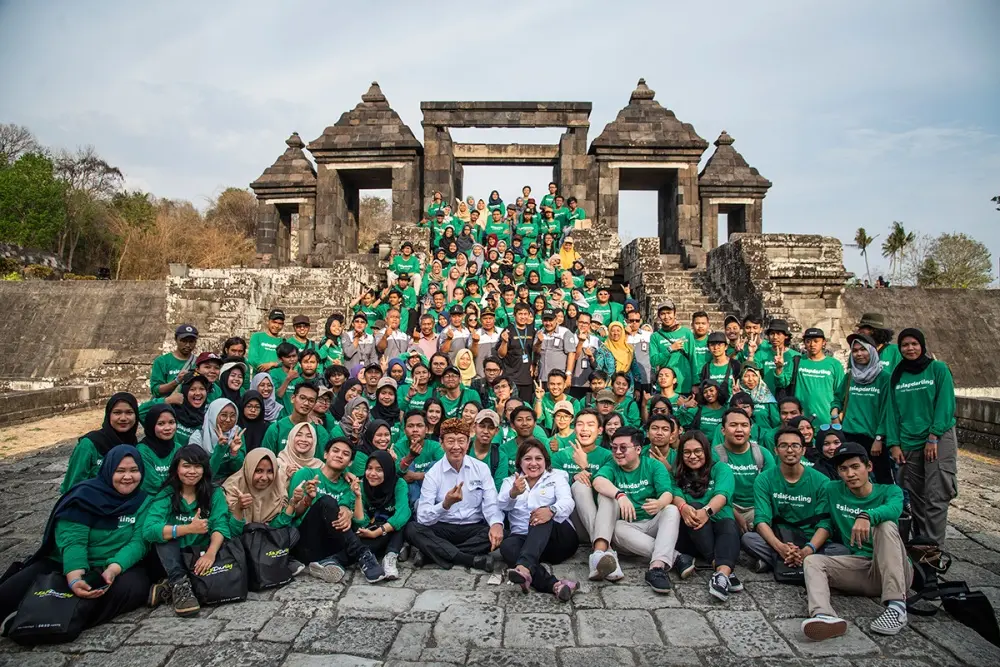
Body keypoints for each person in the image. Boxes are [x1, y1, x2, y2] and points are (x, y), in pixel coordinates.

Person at [0, 446, 152, 645]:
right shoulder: (84, 496)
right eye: (120, 471)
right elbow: (74, 540)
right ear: (108, 470)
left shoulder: (144, 501)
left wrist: (113, 568)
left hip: (110, 567)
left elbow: (138, 543)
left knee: (134, 588)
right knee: (7, 594)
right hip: (64, 563)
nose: (127, 477)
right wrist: (74, 575)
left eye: (134, 470)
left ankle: (44, 619)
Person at [801, 442, 911, 640]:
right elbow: (825, 521)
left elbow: (894, 510)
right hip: (860, 567)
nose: (850, 474)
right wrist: (808, 548)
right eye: (843, 469)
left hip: (895, 569)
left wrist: (867, 516)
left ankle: (897, 607)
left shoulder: (889, 491)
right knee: (812, 562)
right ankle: (824, 615)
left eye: (855, 467)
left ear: (868, 467)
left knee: (885, 525)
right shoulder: (832, 490)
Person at [886, 328, 957, 546]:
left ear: (922, 345)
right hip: (908, 440)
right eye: (905, 345)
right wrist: (894, 443)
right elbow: (891, 411)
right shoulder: (897, 376)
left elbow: (945, 404)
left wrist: (933, 436)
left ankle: (933, 549)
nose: (910, 349)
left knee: (936, 495)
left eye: (914, 344)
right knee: (916, 496)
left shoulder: (937, 369)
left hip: (937, 439)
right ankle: (921, 541)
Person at [742, 427, 849, 573]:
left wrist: (807, 550)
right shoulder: (764, 479)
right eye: (784, 445)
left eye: (795, 445)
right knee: (748, 539)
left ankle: (779, 562)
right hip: (779, 537)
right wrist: (780, 548)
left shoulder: (822, 481)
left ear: (803, 450)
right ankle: (799, 562)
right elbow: (761, 520)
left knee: (841, 550)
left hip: (810, 540)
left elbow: (825, 524)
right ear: (776, 450)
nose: (790, 450)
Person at [584, 426, 678, 593]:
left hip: (652, 522)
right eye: (614, 448)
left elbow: (667, 493)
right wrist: (620, 495)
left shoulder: (653, 465)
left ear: (638, 449)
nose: (618, 452)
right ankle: (673, 557)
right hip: (627, 528)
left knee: (671, 510)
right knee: (615, 522)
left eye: (623, 448)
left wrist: (660, 503)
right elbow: (598, 481)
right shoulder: (612, 466)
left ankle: (656, 568)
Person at [143, 446, 232, 617]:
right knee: (164, 537)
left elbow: (220, 525)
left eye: (197, 466)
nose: (192, 471)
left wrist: (211, 554)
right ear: (176, 468)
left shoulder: (213, 493)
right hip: (170, 558)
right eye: (186, 466)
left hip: (200, 556)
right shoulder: (167, 494)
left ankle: (169, 587)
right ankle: (179, 584)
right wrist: (187, 529)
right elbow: (149, 530)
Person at [405, 418, 504, 571]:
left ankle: (433, 553)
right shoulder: (433, 473)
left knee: (501, 532)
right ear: (441, 443)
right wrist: (445, 505)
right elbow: (423, 516)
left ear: (468, 443)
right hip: (443, 527)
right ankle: (467, 559)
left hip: (473, 527)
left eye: (461, 441)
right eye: (451, 441)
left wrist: (496, 524)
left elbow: (491, 503)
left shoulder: (481, 469)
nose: (456, 447)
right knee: (412, 529)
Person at [286, 437, 386, 583]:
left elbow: (360, 523)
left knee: (378, 533)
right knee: (327, 502)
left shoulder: (348, 485)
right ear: (326, 454)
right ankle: (362, 554)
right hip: (305, 541)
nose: (339, 455)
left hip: (332, 543)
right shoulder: (306, 474)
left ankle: (328, 562)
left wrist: (348, 512)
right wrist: (308, 498)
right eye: (335, 451)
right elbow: (291, 514)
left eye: (345, 454)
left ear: (349, 463)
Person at [497, 439, 580, 600]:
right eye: (528, 459)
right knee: (507, 547)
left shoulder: (556, 477)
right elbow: (501, 504)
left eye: (538, 458)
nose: (533, 463)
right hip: (525, 541)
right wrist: (513, 493)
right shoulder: (510, 482)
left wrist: (551, 510)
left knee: (540, 515)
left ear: (545, 461)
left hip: (558, 539)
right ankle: (555, 585)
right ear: (519, 462)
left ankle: (524, 565)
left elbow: (567, 502)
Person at [671, 431, 742, 601]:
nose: (693, 456)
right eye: (687, 452)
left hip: (719, 529)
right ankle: (721, 568)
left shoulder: (721, 469)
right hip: (690, 536)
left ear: (706, 451)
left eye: (698, 451)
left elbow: (722, 495)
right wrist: (683, 507)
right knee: (693, 507)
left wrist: (707, 512)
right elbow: (675, 493)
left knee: (728, 524)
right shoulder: (676, 472)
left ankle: (721, 575)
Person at [839, 333, 892, 483]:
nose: (859, 354)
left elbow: (886, 411)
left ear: (872, 351)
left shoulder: (884, 378)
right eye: (855, 351)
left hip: (874, 437)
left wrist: (879, 437)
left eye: (863, 349)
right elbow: (838, 398)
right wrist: (835, 412)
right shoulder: (850, 377)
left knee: (882, 478)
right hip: (850, 434)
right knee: (852, 477)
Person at [713, 408, 776, 534]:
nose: (739, 430)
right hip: (726, 508)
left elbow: (772, 489)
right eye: (733, 425)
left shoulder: (762, 453)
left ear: (750, 429)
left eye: (744, 425)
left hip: (756, 508)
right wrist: (737, 516)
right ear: (723, 430)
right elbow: (712, 492)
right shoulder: (714, 454)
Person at [62, 392, 140, 493]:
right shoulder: (89, 445)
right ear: (108, 415)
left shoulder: (135, 445)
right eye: (117, 412)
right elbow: (72, 486)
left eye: (129, 412)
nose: (123, 418)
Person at [357, 450, 410, 580]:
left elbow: (403, 513)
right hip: (372, 528)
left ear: (388, 470)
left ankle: (390, 556)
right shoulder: (362, 486)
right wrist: (358, 497)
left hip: (389, 528)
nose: (373, 474)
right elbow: (360, 521)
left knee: (402, 523)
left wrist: (378, 532)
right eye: (369, 468)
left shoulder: (398, 484)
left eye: (379, 470)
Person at [775, 328, 844, 424]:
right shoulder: (797, 361)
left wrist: (837, 415)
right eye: (808, 341)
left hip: (826, 418)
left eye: (816, 341)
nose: (812, 345)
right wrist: (779, 368)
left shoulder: (834, 364)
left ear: (823, 342)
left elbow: (840, 393)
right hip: (800, 418)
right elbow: (782, 383)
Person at [262, 382, 331, 456]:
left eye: (311, 400)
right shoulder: (276, 429)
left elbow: (322, 463)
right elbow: (266, 459)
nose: (306, 403)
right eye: (302, 398)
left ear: (314, 404)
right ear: (292, 398)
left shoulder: (320, 432)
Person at [187, 398, 246, 478]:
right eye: (223, 415)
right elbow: (205, 475)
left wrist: (234, 453)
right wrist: (220, 448)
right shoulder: (198, 437)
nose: (228, 420)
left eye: (233, 416)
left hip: (230, 482)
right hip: (205, 482)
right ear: (213, 415)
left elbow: (239, 469)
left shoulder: (236, 433)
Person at [396, 410, 445, 503]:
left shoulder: (435, 446)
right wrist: (410, 456)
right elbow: (397, 473)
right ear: (404, 430)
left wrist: (417, 476)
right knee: (406, 464)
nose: (415, 429)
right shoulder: (398, 447)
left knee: (435, 465)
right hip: (410, 493)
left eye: (419, 425)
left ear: (426, 429)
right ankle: (416, 505)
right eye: (410, 426)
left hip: (432, 491)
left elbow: (445, 470)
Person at [650, 301, 695, 395]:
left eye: (669, 313)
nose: (666, 317)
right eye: (663, 314)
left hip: (684, 385)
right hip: (664, 386)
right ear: (659, 316)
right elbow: (654, 361)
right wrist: (670, 349)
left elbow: (693, 359)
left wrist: (696, 383)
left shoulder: (686, 333)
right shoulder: (655, 336)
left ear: (675, 313)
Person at [497, 303, 537, 402]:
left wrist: (534, 364)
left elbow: (536, 351)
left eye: (525, 314)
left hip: (527, 378)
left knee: (525, 407)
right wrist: (504, 342)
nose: (523, 317)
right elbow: (501, 354)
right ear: (514, 315)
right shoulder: (508, 330)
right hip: (512, 378)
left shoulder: (532, 331)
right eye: (520, 314)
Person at [136, 404, 180, 494]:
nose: (168, 428)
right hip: (153, 501)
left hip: (178, 498)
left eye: (171, 422)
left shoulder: (178, 448)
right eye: (161, 424)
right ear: (151, 426)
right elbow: (152, 485)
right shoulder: (142, 450)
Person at [150, 324, 198, 397]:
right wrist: (176, 381)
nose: (188, 345)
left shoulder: (198, 362)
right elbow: (155, 390)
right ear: (176, 339)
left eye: (191, 341)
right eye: (183, 341)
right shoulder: (162, 361)